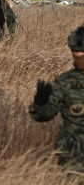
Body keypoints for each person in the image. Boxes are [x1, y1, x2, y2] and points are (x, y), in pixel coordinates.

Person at [29, 25, 84, 175]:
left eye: (82, 51)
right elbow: (45, 115)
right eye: (75, 51)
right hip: (74, 155)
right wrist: (40, 103)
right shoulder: (64, 82)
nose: (79, 55)